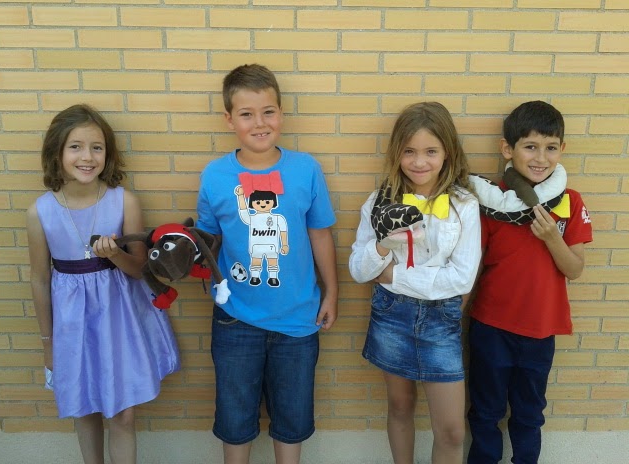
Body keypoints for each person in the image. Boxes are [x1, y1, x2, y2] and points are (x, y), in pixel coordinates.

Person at [196, 64, 338, 464]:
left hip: (298, 318)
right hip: (235, 318)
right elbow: (207, 241)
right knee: (235, 419)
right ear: (229, 119)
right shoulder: (215, 175)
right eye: (246, 114)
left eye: (268, 112)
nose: (259, 123)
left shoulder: (305, 169)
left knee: (291, 420)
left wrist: (332, 292)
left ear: (282, 113)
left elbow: (320, 234)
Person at [26, 104, 180, 464]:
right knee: (84, 408)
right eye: (75, 147)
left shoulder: (123, 202)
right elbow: (39, 280)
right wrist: (48, 343)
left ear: (107, 154)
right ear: (57, 152)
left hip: (118, 320)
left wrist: (115, 255)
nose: (87, 157)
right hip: (72, 325)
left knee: (123, 413)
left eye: (97, 147)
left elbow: (140, 268)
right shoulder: (40, 212)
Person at [349, 102, 481, 464]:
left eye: (430, 151)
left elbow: (462, 278)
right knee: (400, 406)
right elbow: (359, 270)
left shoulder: (464, 205)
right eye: (409, 151)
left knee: (452, 430)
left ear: (447, 152)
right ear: (397, 152)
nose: (419, 162)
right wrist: (381, 246)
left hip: (441, 321)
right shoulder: (379, 202)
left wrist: (394, 275)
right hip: (393, 315)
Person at [467, 101, 593, 464]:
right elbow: (471, 267)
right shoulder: (491, 202)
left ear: (562, 149)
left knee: (528, 413)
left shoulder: (569, 202)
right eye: (530, 146)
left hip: (540, 331)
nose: (541, 158)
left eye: (550, 147)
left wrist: (553, 237)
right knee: (485, 411)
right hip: (491, 327)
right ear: (507, 149)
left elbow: (574, 269)